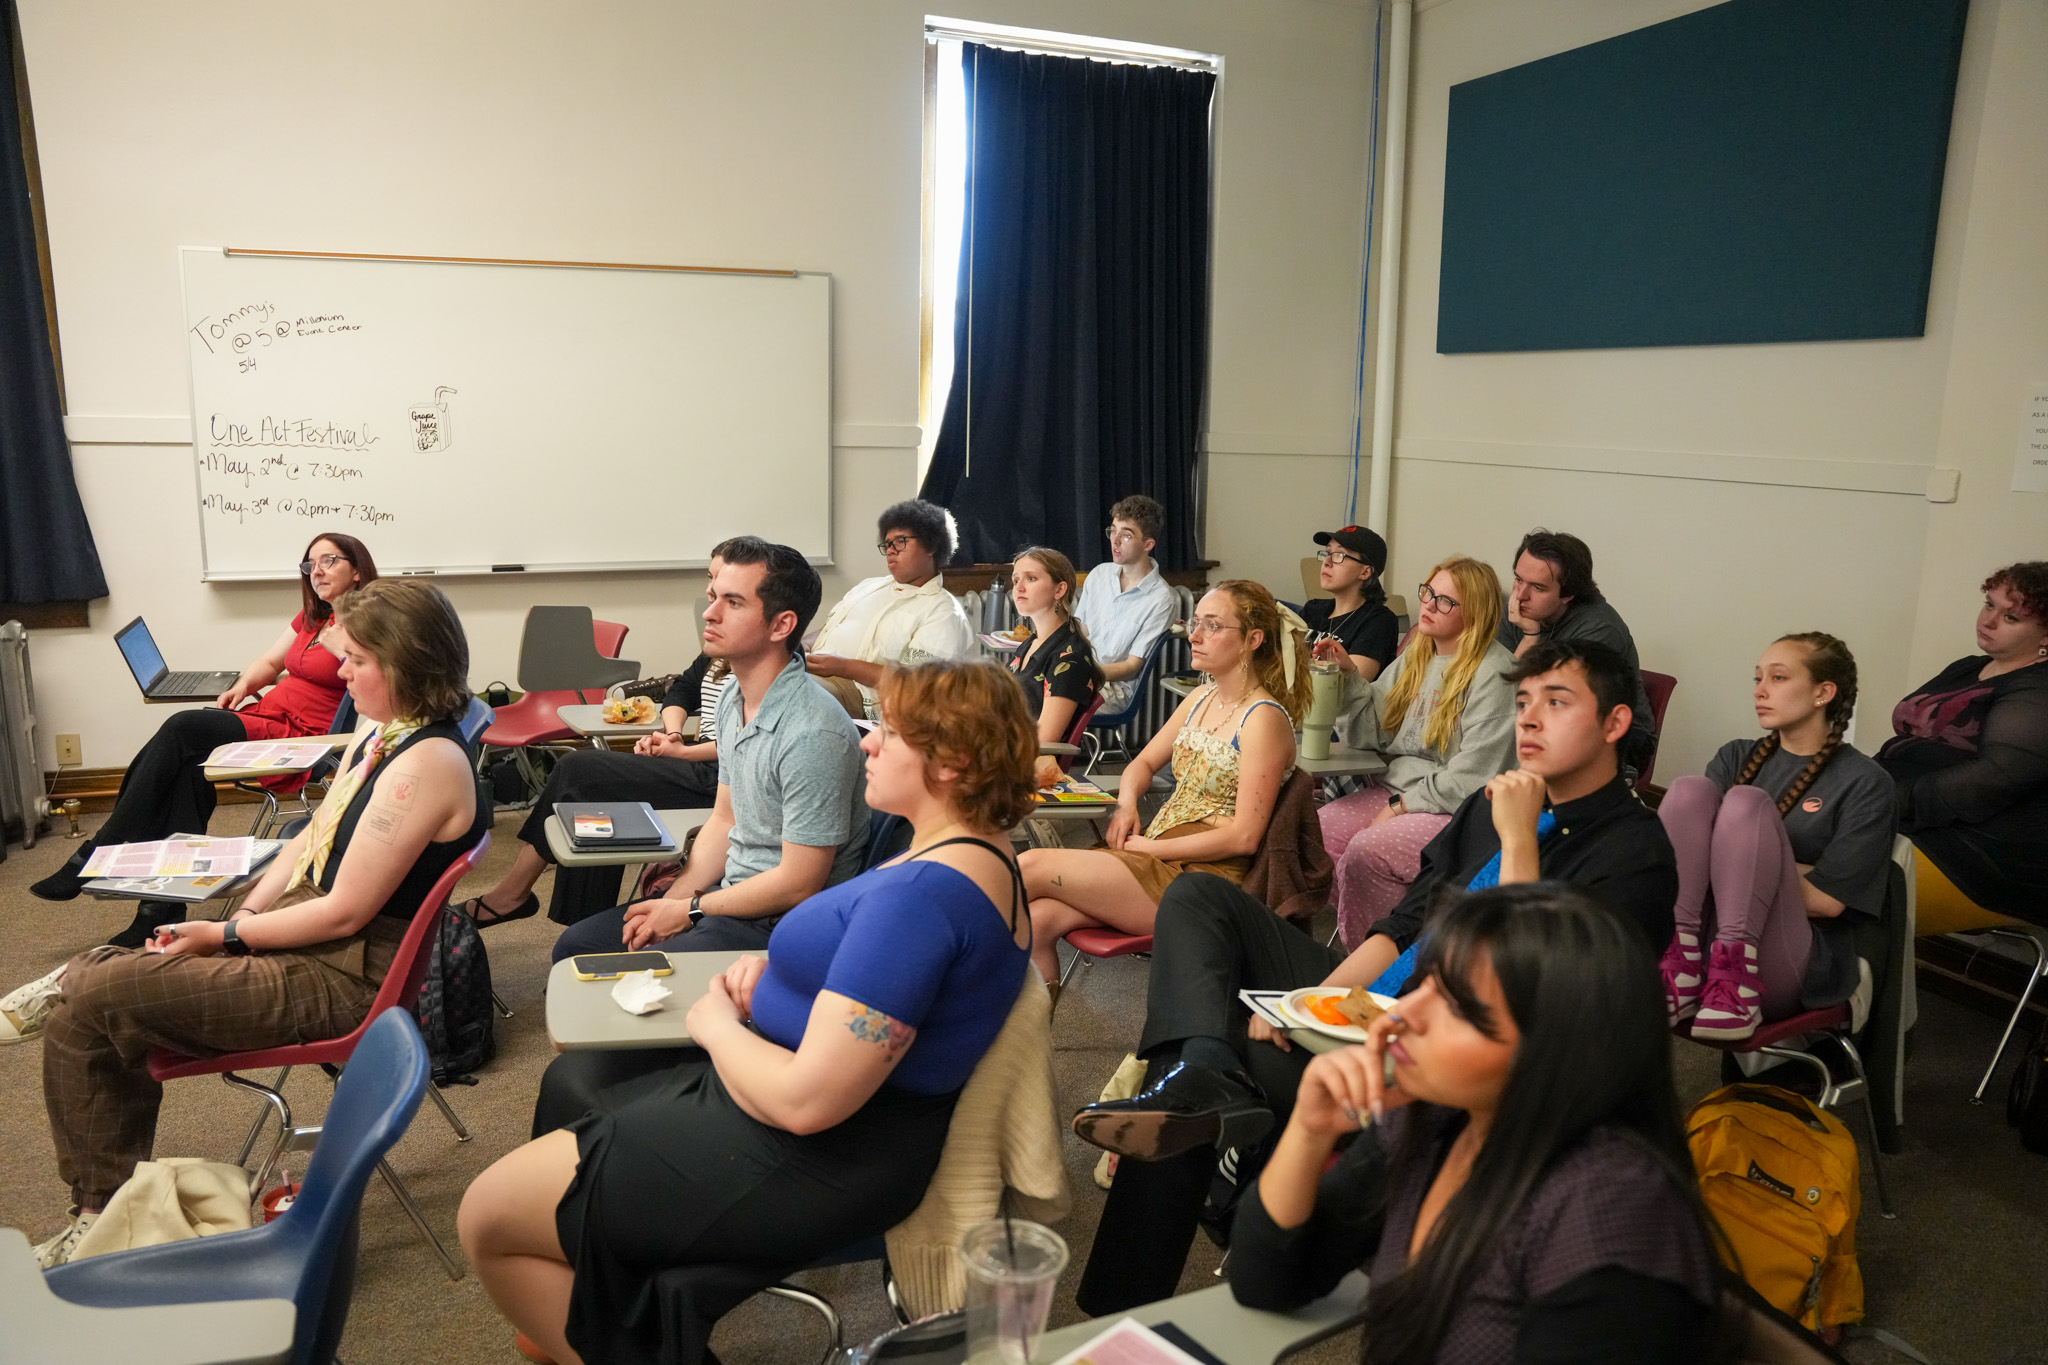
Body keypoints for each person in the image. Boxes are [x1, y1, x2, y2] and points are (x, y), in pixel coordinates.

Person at [1065, 638, 1677, 1313]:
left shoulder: (1634, 852)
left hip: (1444, 1055)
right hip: (1377, 1002)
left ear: (1615, 722)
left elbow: (1534, 1003)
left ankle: (1119, 1299)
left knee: (1193, 1057)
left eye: (1555, 703)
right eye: (1524, 700)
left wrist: (1518, 843)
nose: (1527, 718)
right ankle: (1207, 1071)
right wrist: (1314, 1003)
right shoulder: (1488, 805)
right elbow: (1406, 923)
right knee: (1197, 901)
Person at [457, 661, 1039, 1365]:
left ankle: (596, 1323)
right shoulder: (979, 855)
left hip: (814, 1155)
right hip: (835, 1128)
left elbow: (806, 1102)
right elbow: (900, 977)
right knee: (572, 1099)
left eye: (889, 732)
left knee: (486, 1216)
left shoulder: (919, 899)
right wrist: (793, 973)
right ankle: (596, 1313)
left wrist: (715, 1026)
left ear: (953, 763)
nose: (867, 742)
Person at [22, 579, 486, 1266]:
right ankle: (101, 1217)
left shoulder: (427, 762)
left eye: (357, 660)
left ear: (407, 663)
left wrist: (225, 936)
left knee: (93, 992)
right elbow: (309, 839)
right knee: (79, 1020)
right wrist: (244, 915)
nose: (342, 673)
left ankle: (76, 986)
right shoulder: (386, 730)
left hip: (344, 977)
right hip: (316, 942)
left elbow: (346, 910)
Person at [1228, 883, 1721, 1364]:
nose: (1400, 1015)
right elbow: (1267, 1280)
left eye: (1457, 1007)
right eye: (1425, 984)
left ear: (1554, 1053)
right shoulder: (1437, 1117)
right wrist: (1311, 1129)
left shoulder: (1610, 1216)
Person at [31, 533, 380, 948]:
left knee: (184, 727)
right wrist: (243, 685)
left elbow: (379, 673)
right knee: (186, 771)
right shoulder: (314, 618)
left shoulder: (368, 621)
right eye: (310, 564)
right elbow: (271, 661)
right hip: (269, 715)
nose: (316, 571)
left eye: (329, 561)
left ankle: (97, 850)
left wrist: (342, 647)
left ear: (356, 570)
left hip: (302, 736)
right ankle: (157, 910)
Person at [549, 538, 869, 964]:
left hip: (785, 923)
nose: (709, 612)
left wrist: (691, 910)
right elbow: (724, 820)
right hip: (731, 896)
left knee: (616, 969)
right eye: (714, 596)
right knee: (578, 947)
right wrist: (673, 903)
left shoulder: (814, 732)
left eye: (733, 603)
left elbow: (799, 883)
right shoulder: (735, 696)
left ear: (781, 626)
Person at [1018, 581, 1311, 985]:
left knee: (1030, 865)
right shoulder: (1200, 698)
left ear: (1252, 640)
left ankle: (936, 968)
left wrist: (1154, 848)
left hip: (1203, 882)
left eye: (1212, 626)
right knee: (1038, 921)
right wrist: (1126, 803)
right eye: (1195, 623)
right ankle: (1027, 1024)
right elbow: (1141, 763)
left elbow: (1244, 837)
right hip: (1159, 853)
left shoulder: (1263, 719)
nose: (1194, 636)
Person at [460, 559, 734, 930]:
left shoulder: (766, 665)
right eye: (710, 580)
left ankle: (515, 897)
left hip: (717, 779)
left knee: (581, 773)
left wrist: (682, 751)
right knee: (588, 787)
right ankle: (570, 922)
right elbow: (682, 689)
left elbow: (743, 746)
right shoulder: (719, 651)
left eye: (723, 587)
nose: (709, 596)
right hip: (697, 763)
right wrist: (672, 734)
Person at [1658, 634, 1894, 1041]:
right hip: (1702, 947)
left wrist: (1749, 859)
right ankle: (1676, 960)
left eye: (1778, 678)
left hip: (1786, 958)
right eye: (1758, 678)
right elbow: (1688, 863)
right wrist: (1757, 864)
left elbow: (1827, 901)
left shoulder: (1866, 781)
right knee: (1686, 791)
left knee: (1745, 803)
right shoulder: (1736, 756)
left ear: (1823, 693)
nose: (1760, 690)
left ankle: (1735, 979)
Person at [1317, 556, 1516, 950]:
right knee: (1319, 833)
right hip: (1398, 790)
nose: (1428, 605)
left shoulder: (1495, 673)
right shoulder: (1418, 653)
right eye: (1428, 592)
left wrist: (1400, 807)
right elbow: (1375, 728)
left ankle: (1393, 963)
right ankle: (1365, 948)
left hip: (1455, 810)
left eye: (1445, 601)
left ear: (1475, 612)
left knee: (1368, 852)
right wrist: (1348, 674)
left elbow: (1475, 777)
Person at [1877, 562, 2048, 924]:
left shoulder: (2039, 688)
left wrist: (1876, 801)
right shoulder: (1968, 667)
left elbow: (1994, 779)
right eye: (1989, 604)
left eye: (2011, 617)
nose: (1988, 621)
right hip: (1907, 814)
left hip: (1974, 847)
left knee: (1812, 875)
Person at [1494, 528, 1656, 771]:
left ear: (1568, 594)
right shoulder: (1519, 610)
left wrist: (1530, 637)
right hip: (1544, 718)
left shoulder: (1600, 629)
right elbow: (1498, 693)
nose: (1521, 595)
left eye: (1538, 587)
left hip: (1619, 735)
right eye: (1518, 579)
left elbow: (1553, 704)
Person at [805, 499, 975, 718]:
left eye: (900, 541)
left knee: (793, 691)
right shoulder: (869, 586)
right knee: (766, 672)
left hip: (859, 693)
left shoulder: (943, 611)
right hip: (816, 672)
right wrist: (802, 645)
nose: (891, 551)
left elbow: (916, 682)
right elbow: (829, 628)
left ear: (931, 545)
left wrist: (843, 667)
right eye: (887, 544)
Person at [1006, 546, 1104, 787]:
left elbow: (1044, 740)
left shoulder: (1070, 657)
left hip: (1019, 765)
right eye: (1016, 580)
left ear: (1059, 589)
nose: (1019, 587)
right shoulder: (1031, 643)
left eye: (1031, 578)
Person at [1074, 494, 1176, 711]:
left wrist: (1084, 673)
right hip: (1080, 676)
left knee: (1043, 699)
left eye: (1126, 535)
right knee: (1020, 687)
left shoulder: (1161, 599)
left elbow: (1132, 666)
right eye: (1113, 530)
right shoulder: (1099, 574)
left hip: (1114, 688)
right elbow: (1080, 631)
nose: (1115, 540)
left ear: (1148, 544)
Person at [1302, 525, 1400, 683]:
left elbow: (1352, 686)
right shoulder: (1312, 609)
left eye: (1339, 555)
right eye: (1328, 553)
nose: (1326, 562)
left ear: (1365, 572)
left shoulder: (1379, 621)